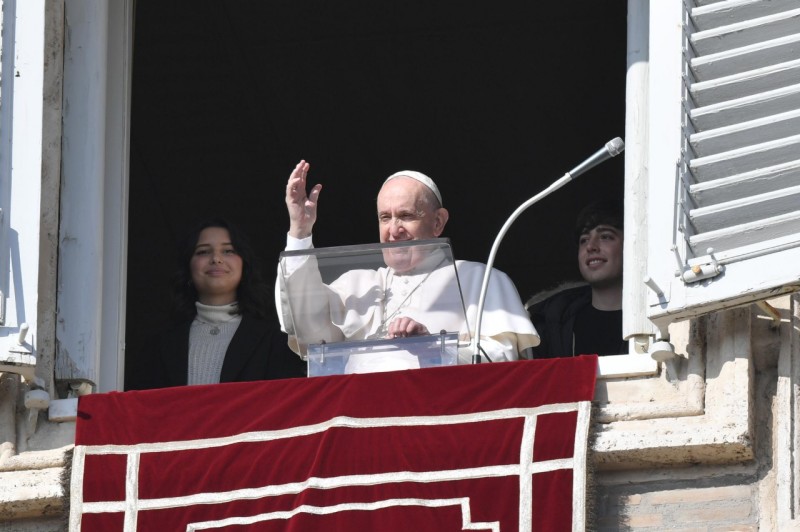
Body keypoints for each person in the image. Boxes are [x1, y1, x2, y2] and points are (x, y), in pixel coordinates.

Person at [275, 160, 539, 368]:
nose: (393, 229)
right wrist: (300, 231)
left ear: (437, 222)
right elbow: (308, 331)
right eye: (384, 217)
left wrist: (434, 348)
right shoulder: (358, 284)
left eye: (405, 216)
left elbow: (504, 360)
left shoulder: (479, 280)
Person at [129, 218, 307, 389]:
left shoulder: (273, 341)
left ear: (244, 266)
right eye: (203, 251)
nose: (216, 258)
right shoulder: (159, 346)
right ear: (188, 268)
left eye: (228, 251)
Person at [526, 199, 627, 358]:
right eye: (584, 240)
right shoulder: (549, 324)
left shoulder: (654, 320)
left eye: (605, 236)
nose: (591, 246)